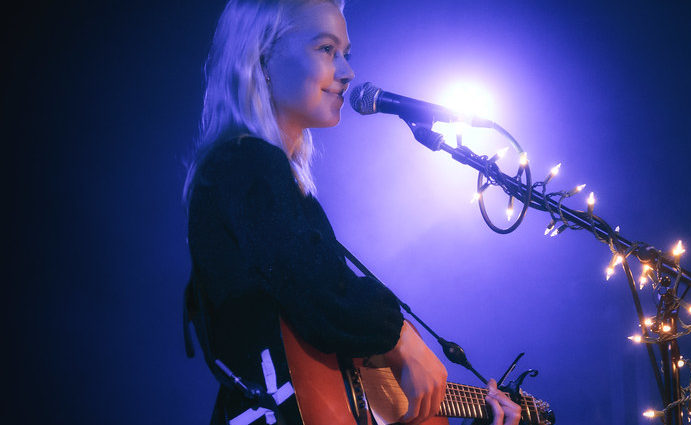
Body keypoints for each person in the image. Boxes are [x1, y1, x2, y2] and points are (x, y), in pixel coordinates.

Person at [182, 1, 521, 424]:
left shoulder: (275, 183)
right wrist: (401, 338)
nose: (347, 72)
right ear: (263, 57)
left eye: (346, 53)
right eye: (326, 49)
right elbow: (314, 287)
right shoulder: (243, 163)